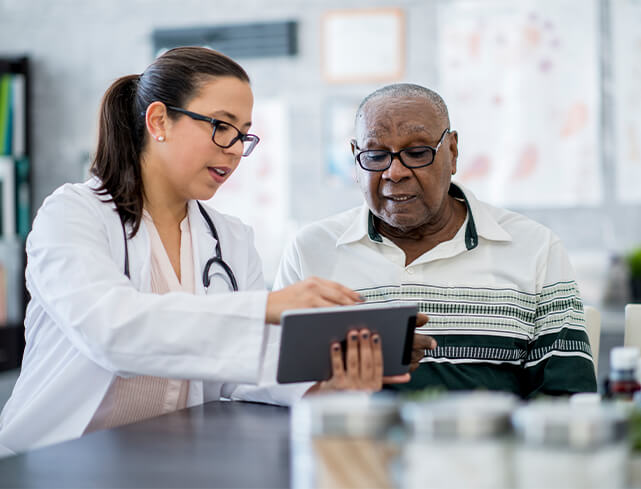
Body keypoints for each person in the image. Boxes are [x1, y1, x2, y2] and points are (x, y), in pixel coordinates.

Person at [0, 48, 412, 455]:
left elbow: (244, 369)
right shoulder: (73, 213)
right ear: (159, 120)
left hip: (171, 460)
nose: (234, 148)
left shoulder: (231, 238)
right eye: (221, 126)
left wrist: (329, 377)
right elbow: (112, 332)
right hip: (57, 460)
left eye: (243, 134)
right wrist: (265, 307)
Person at [275, 83, 597, 398]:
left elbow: (567, 400)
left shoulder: (534, 249)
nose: (394, 172)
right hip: (352, 449)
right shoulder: (310, 251)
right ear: (355, 159)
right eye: (375, 155)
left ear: (453, 152)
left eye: (417, 153)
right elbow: (273, 391)